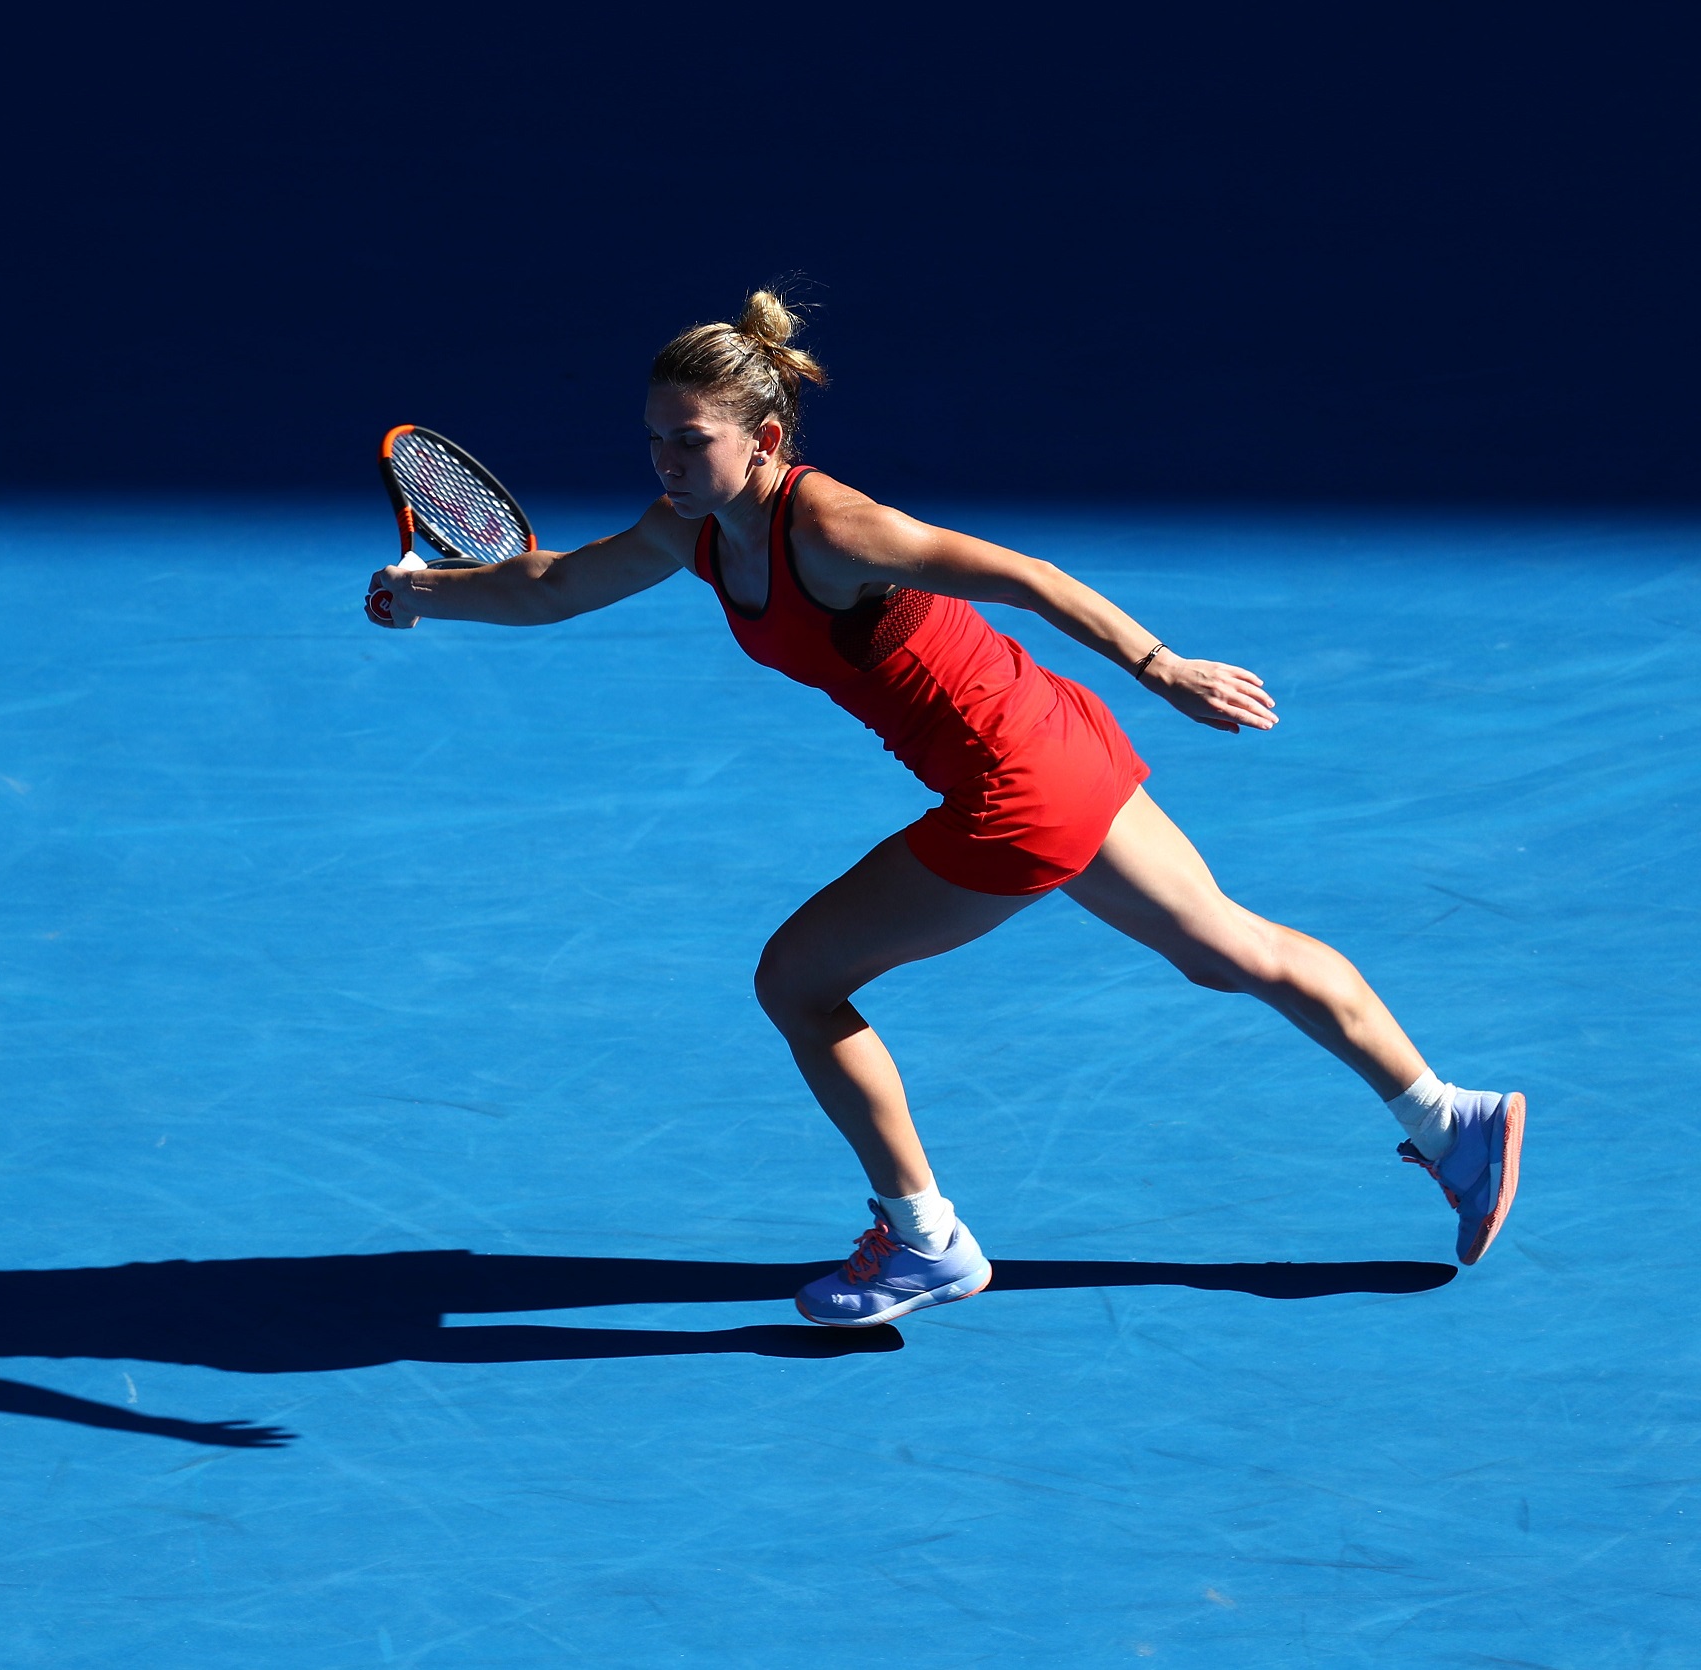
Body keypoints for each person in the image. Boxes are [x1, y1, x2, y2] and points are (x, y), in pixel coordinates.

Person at [365, 289, 1523, 1327]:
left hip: (1013, 784)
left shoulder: (829, 527)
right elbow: (557, 581)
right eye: (655, 437)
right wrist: (432, 596)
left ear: (762, 439)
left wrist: (1159, 663)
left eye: (691, 439)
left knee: (796, 979)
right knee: (1229, 947)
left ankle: (923, 1240)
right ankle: (1448, 1119)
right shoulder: (684, 528)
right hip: (1046, 739)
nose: (665, 460)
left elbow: (1019, 573)